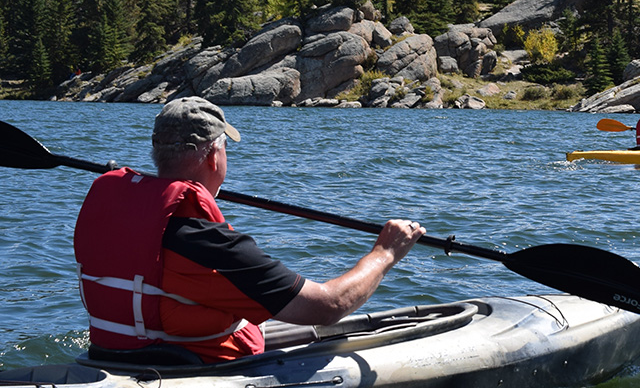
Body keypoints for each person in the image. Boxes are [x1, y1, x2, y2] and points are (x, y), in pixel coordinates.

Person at [74, 96, 426, 364]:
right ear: (214, 156)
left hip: (114, 355)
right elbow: (327, 306)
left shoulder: (112, 219)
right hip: (190, 367)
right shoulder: (207, 242)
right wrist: (385, 253)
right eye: (226, 150)